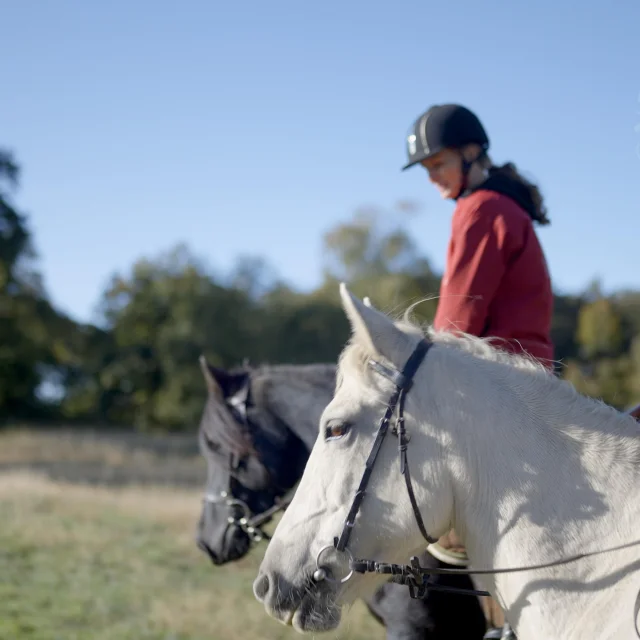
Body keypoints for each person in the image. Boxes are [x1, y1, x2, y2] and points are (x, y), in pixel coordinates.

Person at [402, 103, 554, 639]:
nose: (433, 178)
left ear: (470, 153)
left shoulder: (482, 209)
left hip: (497, 385)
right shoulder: (504, 207)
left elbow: (456, 322)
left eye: (438, 164)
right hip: (526, 378)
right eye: (426, 170)